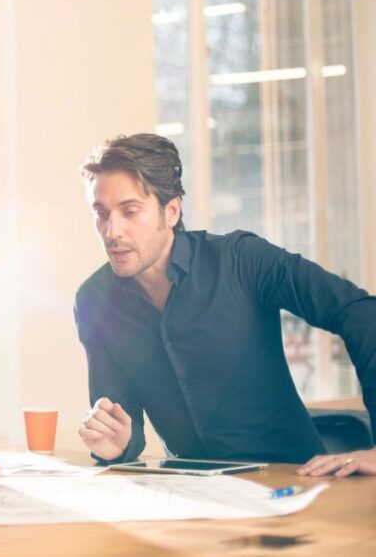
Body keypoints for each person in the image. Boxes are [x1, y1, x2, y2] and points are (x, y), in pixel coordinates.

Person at [74, 133, 376, 476]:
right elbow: (120, 422)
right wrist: (117, 445)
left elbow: (361, 313)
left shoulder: (241, 260)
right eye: (101, 214)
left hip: (294, 479)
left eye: (130, 211)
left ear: (171, 211)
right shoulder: (93, 301)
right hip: (192, 491)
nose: (112, 231)